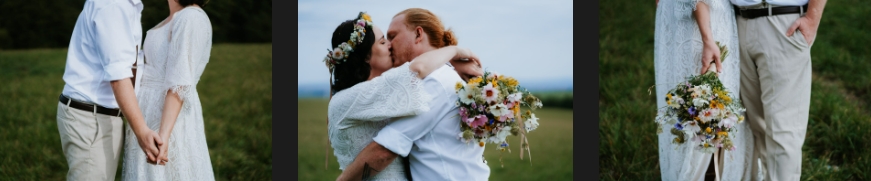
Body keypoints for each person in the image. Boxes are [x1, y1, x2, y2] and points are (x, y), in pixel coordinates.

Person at [337, 8, 491, 181]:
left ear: (418, 34)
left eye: (393, 36)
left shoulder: (435, 81)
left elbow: (384, 151)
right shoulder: (437, 76)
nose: (389, 44)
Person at [57, 0, 163, 180]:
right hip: (91, 118)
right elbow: (118, 77)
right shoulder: (114, 5)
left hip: (97, 114)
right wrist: (142, 131)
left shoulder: (126, 5)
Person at [654, 0, 755, 180]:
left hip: (676, 17)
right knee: (703, 103)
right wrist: (707, 38)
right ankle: (699, 173)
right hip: (702, 22)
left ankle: (683, 172)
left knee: (690, 103)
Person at [120, 0, 216, 180]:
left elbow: (179, 82)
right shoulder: (172, 17)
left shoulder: (190, 17)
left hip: (168, 120)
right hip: (147, 115)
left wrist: (163, 136)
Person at [733, 0, 827, 180]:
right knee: (756, 126)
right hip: (738, 22)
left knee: (783, 131)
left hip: (783, 23)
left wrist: (812, 18)